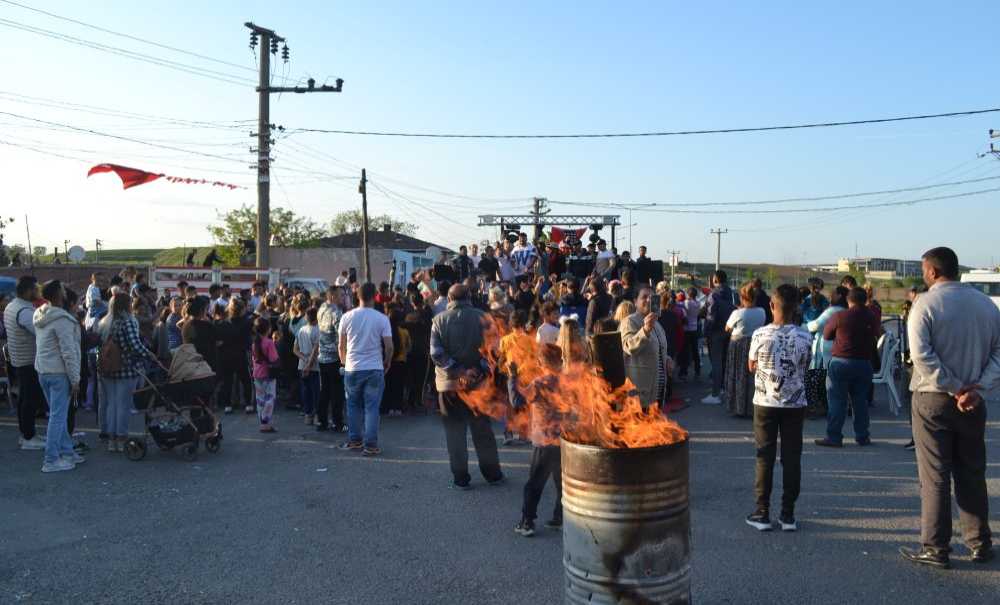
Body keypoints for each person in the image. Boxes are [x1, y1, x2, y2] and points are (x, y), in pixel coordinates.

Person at [900, 247, 999, 569]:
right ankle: (980, 542)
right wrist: (977, 388)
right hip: (974, 400)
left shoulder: (925, 304)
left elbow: (922, 356)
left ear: (931, 271)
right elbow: (998, 354)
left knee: (935, 477)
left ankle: (936, 546)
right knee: (971, 472)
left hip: (934, 399)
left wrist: (954, 386)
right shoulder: (985, 305)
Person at [745, 284, 812, 532]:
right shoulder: (806, 336)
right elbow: (806, 366)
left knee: (765, 456)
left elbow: (751, 365)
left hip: (765, 402)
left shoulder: (760, 335)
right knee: (792, 458)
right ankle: (788, 514)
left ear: (772, 305)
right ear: (796, 308)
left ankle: (762, 512)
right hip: (795, 403)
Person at [430, 284, 504, 489]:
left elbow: (436, 354)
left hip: (449, 386)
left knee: (455, 433)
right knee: (482, 431)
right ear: (469, 296)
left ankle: (460, 478)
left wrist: (459, 371)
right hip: (479, 385)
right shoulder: (484, 317)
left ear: (449, 299)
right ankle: (493, 475)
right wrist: (476, 371)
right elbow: (495, 351)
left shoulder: (439, 320)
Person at [511, 342, 565, 537]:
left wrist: (512, 377)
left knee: (534, 483)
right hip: (563, 440)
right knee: (561, 482)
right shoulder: (566, 381)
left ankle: (527, 522)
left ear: (542, 361)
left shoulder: (540, 383)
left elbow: (517, 401)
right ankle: (559, 517)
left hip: (544, 441)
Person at [815, 287, 879, 448]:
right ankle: (862, 436)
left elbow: (827, 335)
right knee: (860, 402)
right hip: (864, 364)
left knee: (837, 401)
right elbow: (877, 334)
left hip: (841, 363)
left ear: (849, 300)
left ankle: (834, 437)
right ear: (865, 300)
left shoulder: (840, 316)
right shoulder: (872, 316)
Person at [33, 281, 83, 473]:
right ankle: (51, 459)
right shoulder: (62, 320)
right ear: (59, 295)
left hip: (43, 370)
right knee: (57, 417)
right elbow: (68, 352)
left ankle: (67, 452)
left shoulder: (40, 314)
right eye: (62, 289)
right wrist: (75, 379)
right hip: (59, 373)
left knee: (57, 416)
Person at [98, 292, 158, 453]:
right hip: (126, 368)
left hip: (108, 368)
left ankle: (111, 439)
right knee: (123, 405)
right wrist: (149, 354)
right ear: (127, 305)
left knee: (111, 404)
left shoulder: (105, 322)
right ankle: (121, 437)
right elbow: (134, 345)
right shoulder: (128, 322)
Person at [338, 283, 393, 456]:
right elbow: (389, 346)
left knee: (353, 405)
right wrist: (387, 361)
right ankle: (371, 445)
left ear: (357, 296)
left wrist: (344, 362)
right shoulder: (382, 318)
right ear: (374, 296)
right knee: (372, 407)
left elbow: (341, 345)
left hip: (352, 367)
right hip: (374, 367)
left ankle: (355, 440)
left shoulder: (347, 317)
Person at [4, 276, 46, 450]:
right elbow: (41, 332)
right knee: (30, 399)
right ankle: (28, 436)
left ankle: (27, 433)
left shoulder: (12, 306)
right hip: (28, 360)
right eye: (36, 289)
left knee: (24, 398)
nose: (38, 291)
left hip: (18, 359)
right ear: (29, 291)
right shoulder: (25, 312)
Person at [621, 287, 670, 409]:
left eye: (652, 297)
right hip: (639, 394)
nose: (648, 300)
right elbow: (627, 346)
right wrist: (645, 330)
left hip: (657, 393)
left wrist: (667, 359)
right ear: (635, 301)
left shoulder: (657, 324)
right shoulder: (630, 321)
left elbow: (656, 350)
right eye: (644, 297)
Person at [723, 283, 766, 417]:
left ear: (742, 298)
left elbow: (727, 329)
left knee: (737, 375)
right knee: (752, 376)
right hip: (755, 343)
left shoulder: (738, 313)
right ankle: (752, 407)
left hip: (738, 344)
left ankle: (738, 407)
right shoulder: (762, 311)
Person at [702, 270, 737, 405]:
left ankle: (715, 394)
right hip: (729, 331)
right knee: (724, 361)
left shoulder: (713, 295)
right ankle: (723, 388)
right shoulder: (733, 293)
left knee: (716, 363)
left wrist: (706, 333)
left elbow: (711, 316)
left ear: (715, 279)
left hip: (716, 332)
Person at [216, 298, 253, 415]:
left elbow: (219, 341)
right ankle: (248, 404)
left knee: (228, 381)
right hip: (241, 354)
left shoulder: (224, 323)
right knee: (245, 380)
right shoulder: (247, 323)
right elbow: (248, 341)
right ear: (242, 309)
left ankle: (228, 405)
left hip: (226, 355)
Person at [316, 287, 346, 432]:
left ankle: (321, 421)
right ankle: (337, 423)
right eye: (341, 295)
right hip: (334, 358)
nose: (343, 298)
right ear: (333, 296)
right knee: (337, 393)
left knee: (324, 391)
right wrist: (343, 358)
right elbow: (341, 338)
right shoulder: (336, 313)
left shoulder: (321, 308)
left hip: (322, 357)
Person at [251, 317, 279, 432]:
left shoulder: (254, 343)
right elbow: (274, 358)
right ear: (268, 329)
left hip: (257, 373)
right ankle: (265, 421)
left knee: (260, 398)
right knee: (270, 397)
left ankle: (262, 420)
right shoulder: (269, 343)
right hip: (268, 373)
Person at [382, 308, 411, 416]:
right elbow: (409, 347)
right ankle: (398, 407)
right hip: (401, 362)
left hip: (388, 361)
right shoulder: (404, 332)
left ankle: (388, 407)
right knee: (399, 386)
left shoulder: (386, 332)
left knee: (388, 385)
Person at [294, 307, 321, 425]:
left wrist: (304, 359)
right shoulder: (319, 330)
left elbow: (295, 349)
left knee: (306, 391)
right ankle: (316, 415)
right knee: (316, 392)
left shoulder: (301, 330)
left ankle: (307, 414)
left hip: (302, 364)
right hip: (314, 366)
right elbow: (316, 350)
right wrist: (309, 364)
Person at [679, 286, 701, 381]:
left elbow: (680, 305)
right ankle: (697, 371)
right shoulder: (698, 303)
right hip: (695, 329)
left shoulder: (686, 303)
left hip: (686, 329)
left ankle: (684, 372)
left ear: (688, 294)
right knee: (695, 351)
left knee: (685, 351)